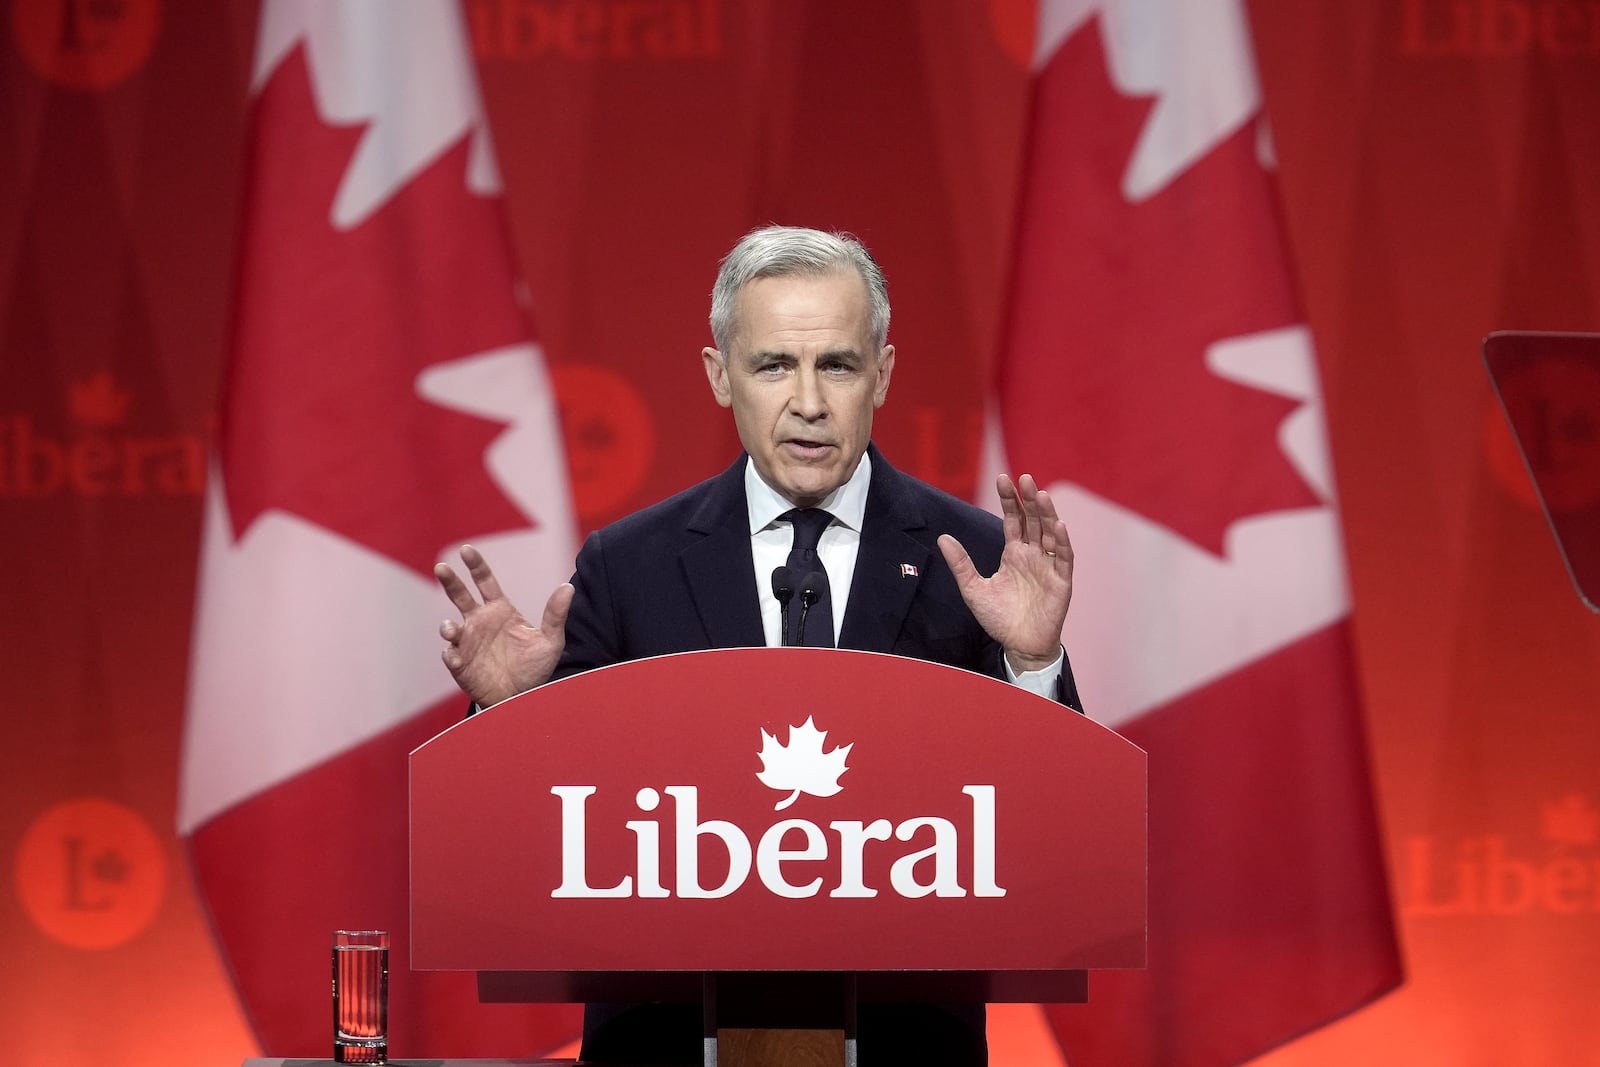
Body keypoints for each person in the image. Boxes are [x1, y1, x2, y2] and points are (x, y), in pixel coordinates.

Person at [435, 225, 1081, 1065]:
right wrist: (507, 715)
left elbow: (1049, 840)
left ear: (881, 376)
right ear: (719, 375)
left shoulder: (977, 561)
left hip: (907, 1043)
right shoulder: (629, 566)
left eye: (838, 366)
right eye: (774, 364)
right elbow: (539, 852)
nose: (807, 401)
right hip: (665, 1041)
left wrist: (1032, 666)